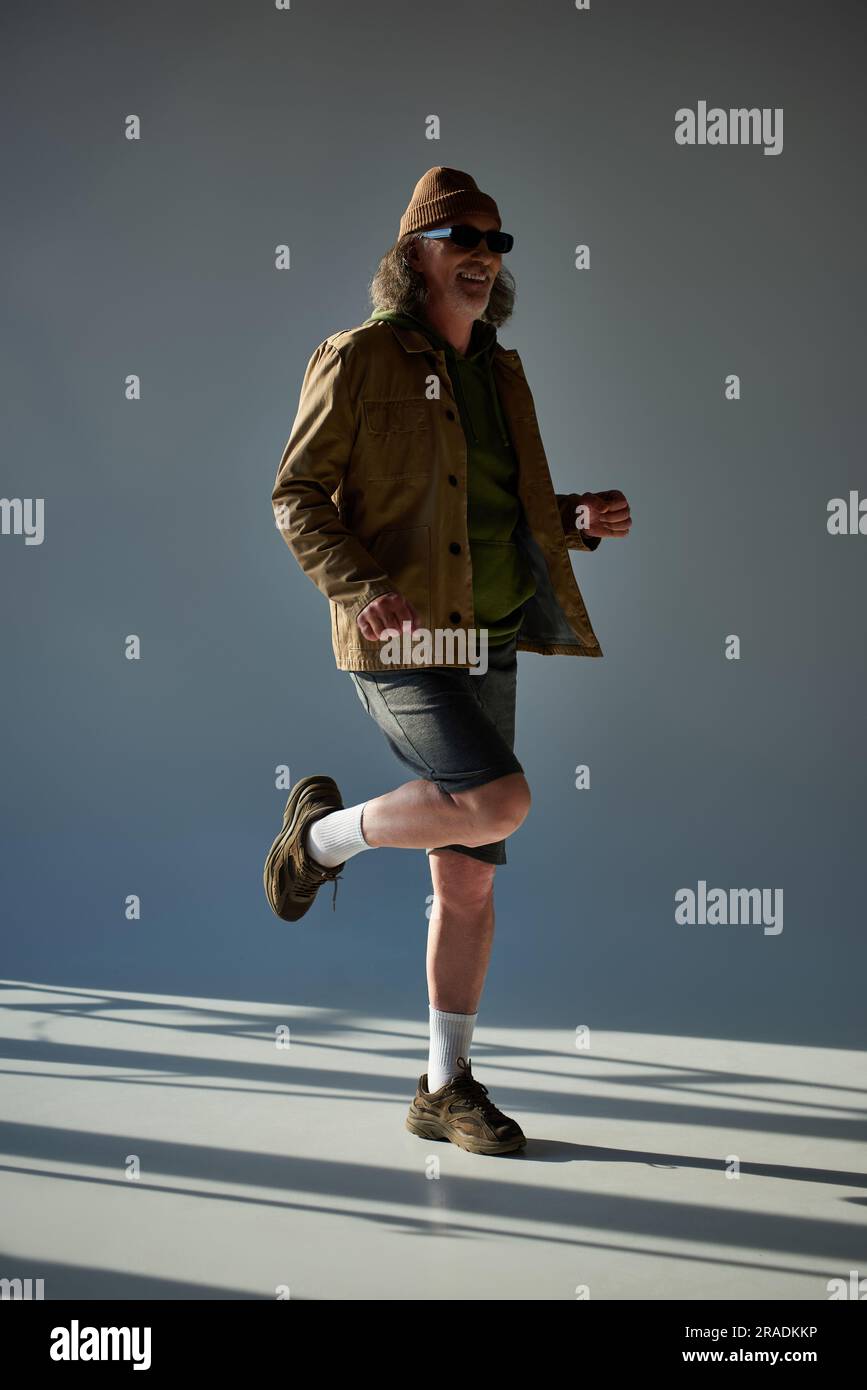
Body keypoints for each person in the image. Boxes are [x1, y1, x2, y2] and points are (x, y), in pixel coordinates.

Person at [264, 167, 632, 1156]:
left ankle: (444, 1085)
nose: (484, 254)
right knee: (502, 798)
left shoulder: (499, 371)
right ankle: (323, 839)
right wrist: (357, 585)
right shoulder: (359, 357)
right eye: (463, 234)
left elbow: (495, 514)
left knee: (467, 881)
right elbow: (296, 495)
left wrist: (574, 522)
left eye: (498, 241)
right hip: (402, 635)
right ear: (414, 251)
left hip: (488, 633)